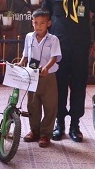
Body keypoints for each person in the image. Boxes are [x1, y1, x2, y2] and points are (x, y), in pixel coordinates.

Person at [41, 0, 95, 142]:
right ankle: (59, 124)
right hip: (57, 46)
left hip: (80, 44)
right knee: (58, 86)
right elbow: (44, 15)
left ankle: (75, 125)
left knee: (78, 84)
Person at [18, 9, 62, 148]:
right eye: (36, 23)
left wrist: (47, 67)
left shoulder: (53, 39)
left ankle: (45, 134)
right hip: (32, 76)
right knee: (32, 105)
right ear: (32, 23)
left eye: (42, 23)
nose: (38, 26)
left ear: (48, 23)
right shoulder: (29, 37)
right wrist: (21, 62)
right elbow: (26, 54)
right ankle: (34, 131)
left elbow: (54, 57)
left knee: (50, 105)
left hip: (47, 76)